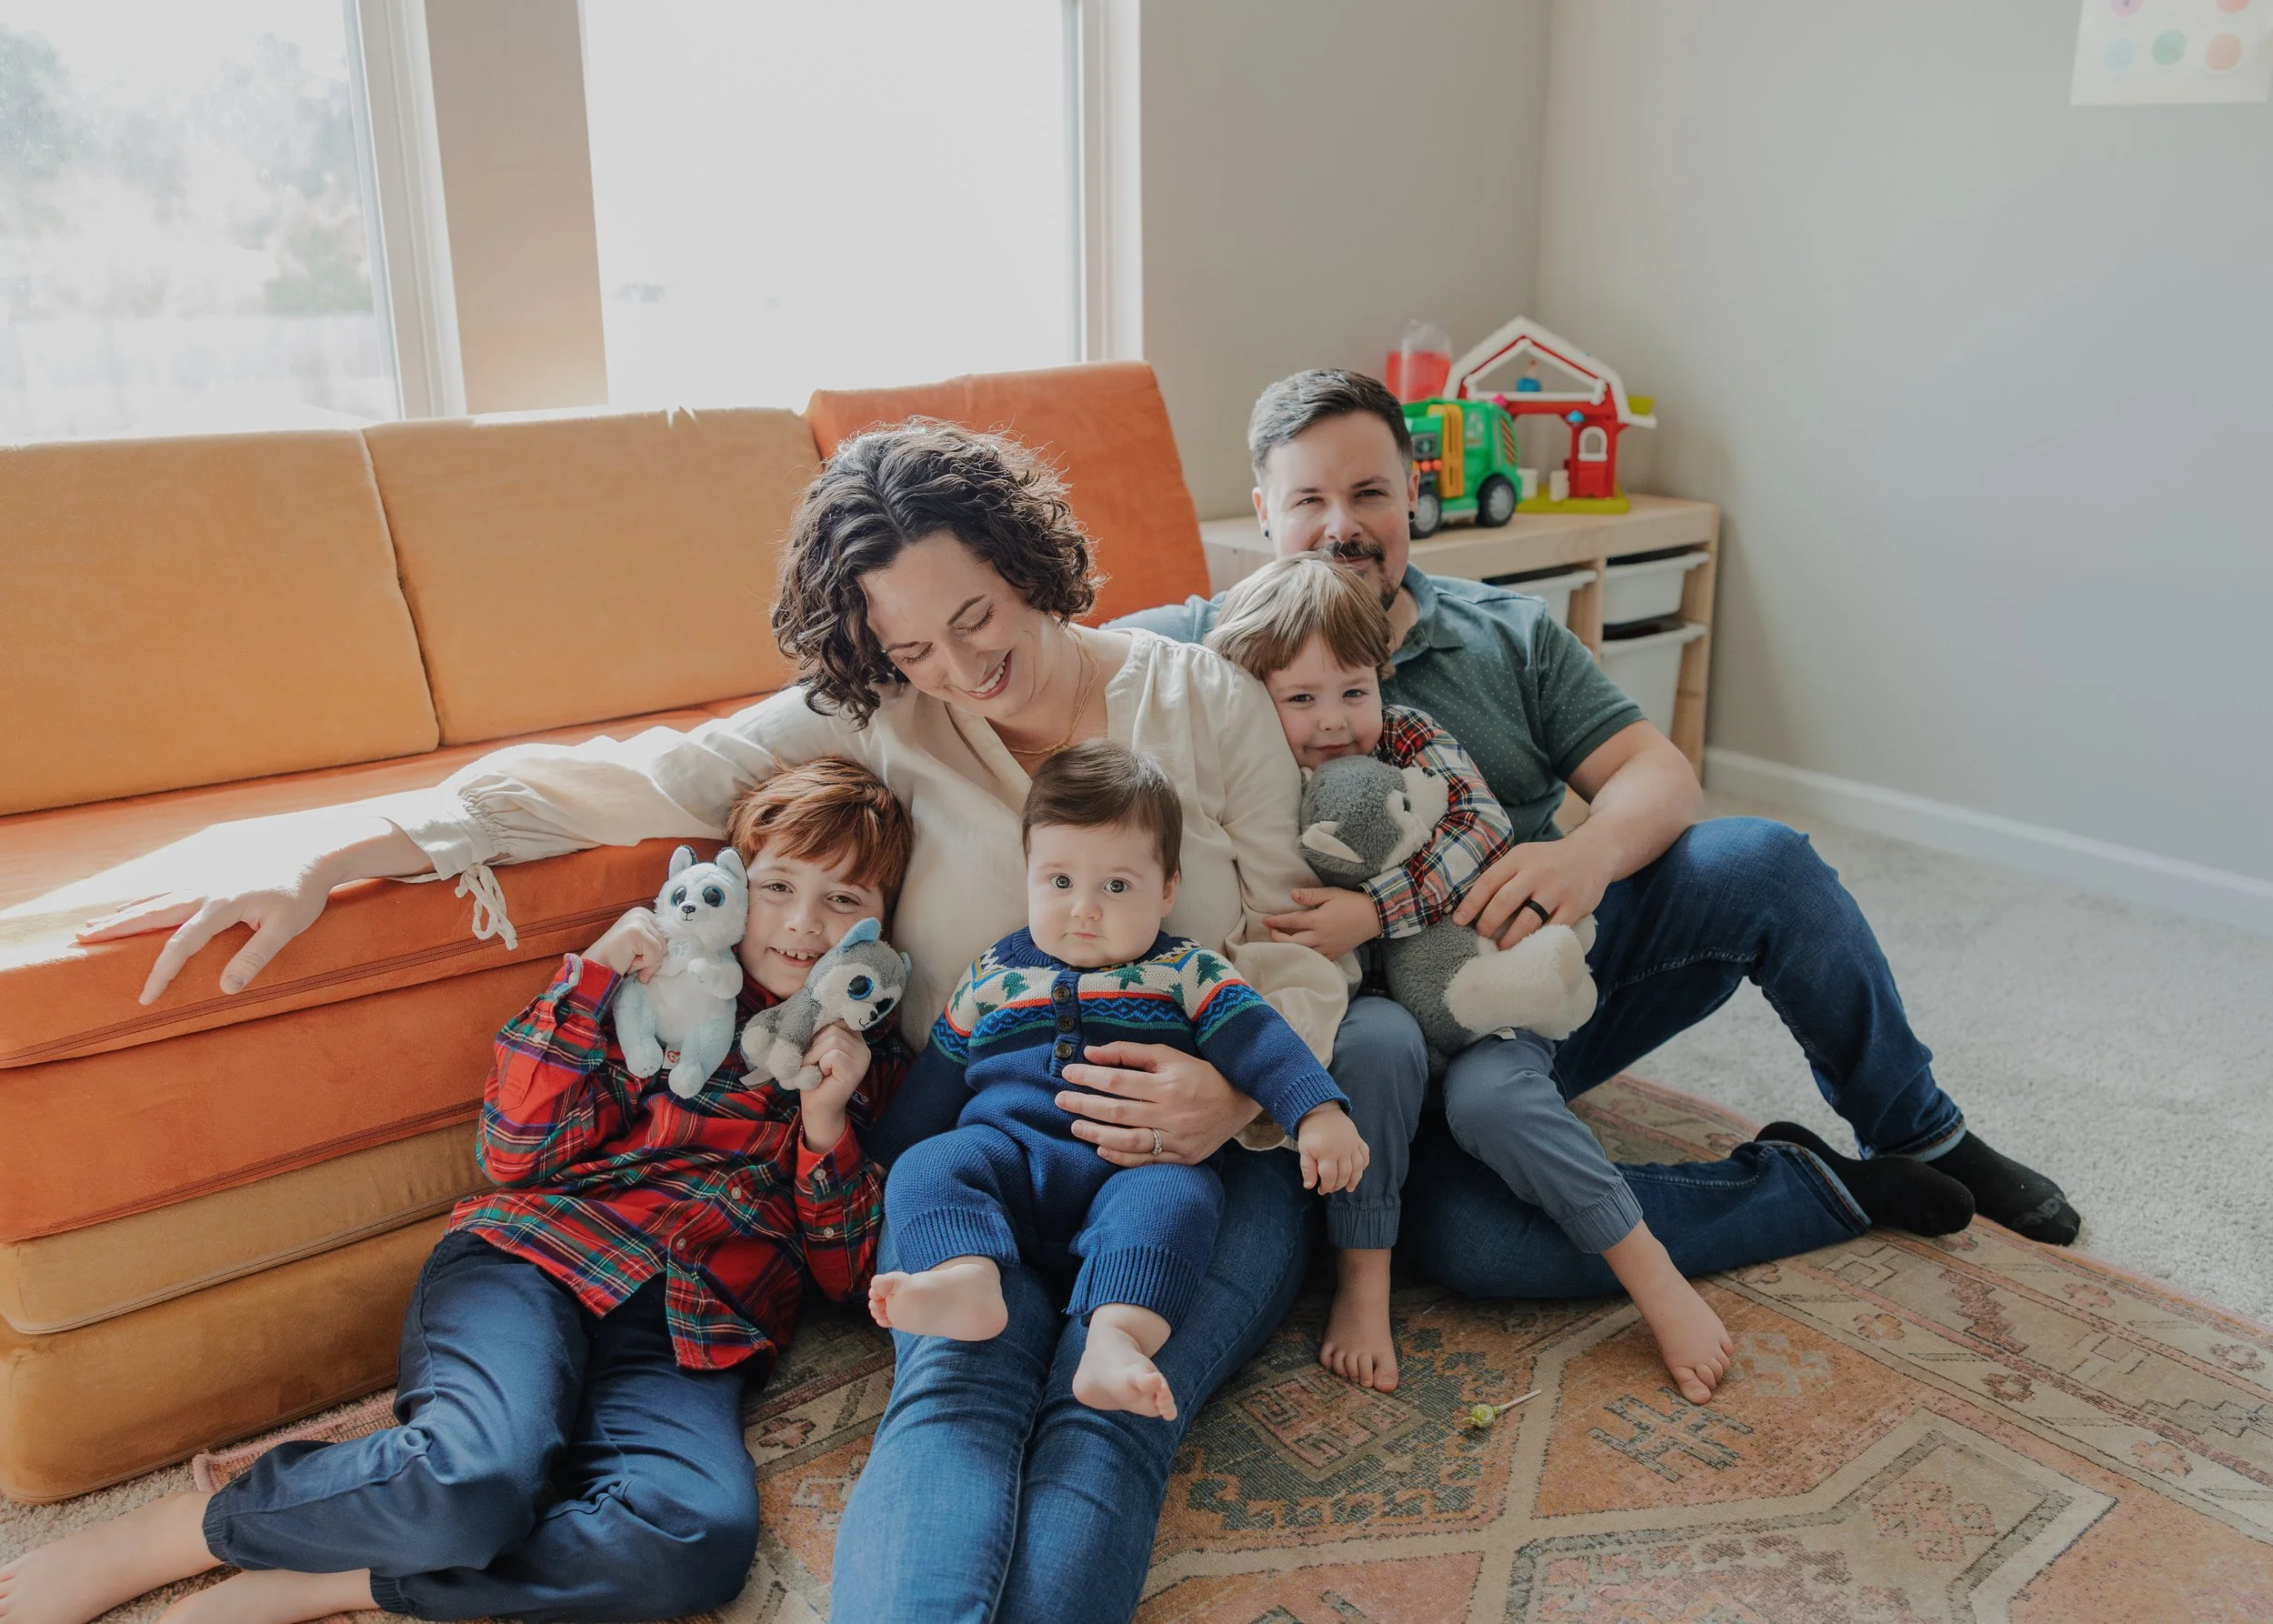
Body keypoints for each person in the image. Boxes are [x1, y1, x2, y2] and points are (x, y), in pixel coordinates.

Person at [70, 420, 1358, 1622]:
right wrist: (346, 844)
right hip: (987, 1145)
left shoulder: (1206, 702)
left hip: (1197, 1150)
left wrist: (1239, 1096)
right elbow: (647, 773)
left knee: (1113, 1409)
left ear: (1027, 557)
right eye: (916, 649)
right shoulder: (877, 713)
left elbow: (1291, 945)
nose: (963, 669)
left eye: (976, 615)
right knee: (960, 1390)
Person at [1118, 367, 2085, 1293]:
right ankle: (1818, 1187)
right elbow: (1069, 656)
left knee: (1768, 863)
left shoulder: (1507, 633)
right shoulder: (1203, 649)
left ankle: (1919, 1130)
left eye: (1369, 491)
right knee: (1477, 1243)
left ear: (1412, 493)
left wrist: (1584, 852)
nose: (1341, 526)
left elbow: (1656, 774)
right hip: (1372, 1062)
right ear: (1262, 513)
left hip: (1535, 985)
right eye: (1307, 501)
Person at [3, 758, 915, 1624]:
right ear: (732, 883)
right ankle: (160, 1537)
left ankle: (335, 1581)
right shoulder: (657, 990)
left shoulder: (867, 1064)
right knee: (469, 1479)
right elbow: (515, 1150)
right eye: (780, 886)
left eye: (844, 900)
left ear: (879, 925)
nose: (804, 923)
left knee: (690, 1542)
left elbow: (848, 1282)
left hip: (692, 1332)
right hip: (538, 1262)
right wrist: (591, 977)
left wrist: (827, 1124)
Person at [1209, 553, 1906, 1402]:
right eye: (1301, 699)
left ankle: (1652, 1272)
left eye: (1354, 690)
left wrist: (1378, 911)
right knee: (1381, 1045)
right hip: (1370, 1041)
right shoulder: (1253, 775)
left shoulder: (1410, 735)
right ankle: (1365, 1279)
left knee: (1498, 1098)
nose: (1334, 722)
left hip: (1477, 998)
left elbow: (1481, 829)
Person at [869, 742, 1367, 1420]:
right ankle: (967, 1279)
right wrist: (881, 1159)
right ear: (1029, 877)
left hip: (1132, 1169)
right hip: (1007, 1160)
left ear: (1167, 889)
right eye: (1060, 882)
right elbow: (936, 1084)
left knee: (1180, 1200)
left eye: (1117, 886)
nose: (1084, 910)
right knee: (928, 1166)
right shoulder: (992, 976)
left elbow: (1263, 1044)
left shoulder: (1185, 972)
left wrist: (1318, 1115)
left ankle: (1116, 1339)